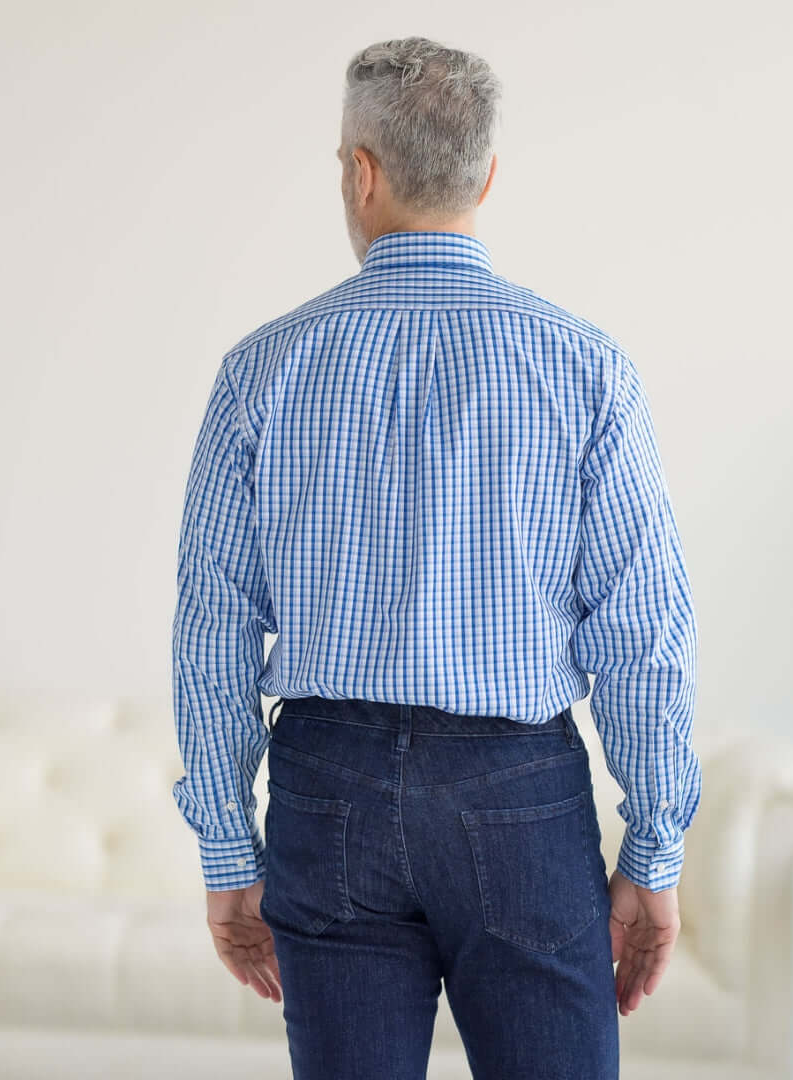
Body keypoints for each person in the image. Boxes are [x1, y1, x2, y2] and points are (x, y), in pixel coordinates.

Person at [171, 34, 701, 1080]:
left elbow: (213, 626)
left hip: (328, 788)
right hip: (519, 791)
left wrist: (228, 849)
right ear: (487, 177)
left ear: (360, 174)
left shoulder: (261, 371)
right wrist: (656, 848)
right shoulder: (585, 368)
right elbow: (646, 638)